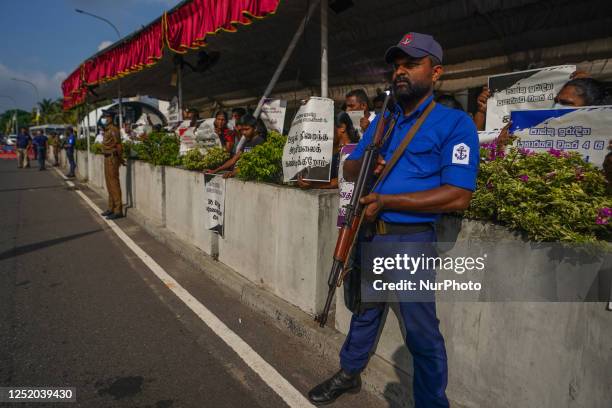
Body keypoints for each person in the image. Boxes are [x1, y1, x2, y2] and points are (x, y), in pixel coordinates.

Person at [308, 32, 479, 407]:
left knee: (420, 332)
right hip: (370, 233)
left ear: (436, 73)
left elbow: (459, 195)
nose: (400, 72)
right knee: (366, 311)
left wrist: (387, 199)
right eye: (397, 65)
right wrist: (367, 161)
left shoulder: (455, 123)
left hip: (410, 239)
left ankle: (432, 403)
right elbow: (352, 169)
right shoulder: (384, 120)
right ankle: (349, 372)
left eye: (410, 64)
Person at [296, 112, 360, 189]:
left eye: (328, 129)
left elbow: (342, 180)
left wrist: (313, 185)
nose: (325, 134)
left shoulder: (353, 148)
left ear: (342, 127)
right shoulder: (331, 150)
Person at [207, 114, 266, 178]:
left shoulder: (260, 142)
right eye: (242, 130)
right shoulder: (247, 141)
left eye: (247, 129)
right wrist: (215, 170)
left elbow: (251, 164)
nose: (244, 132)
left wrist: (233, 172)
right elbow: (233, 160)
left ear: (255, 128)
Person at [98, 110, 124, 220]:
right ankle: (111, 207)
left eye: (107, 117)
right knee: (109, 184)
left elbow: (118, 145)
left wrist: (120, 159)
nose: (105, 119)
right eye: (104, 117)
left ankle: (118, 210)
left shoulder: (114, 130)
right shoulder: (107, 130)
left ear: (111, 118)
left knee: (114, 184)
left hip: (113, 159)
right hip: (107, 158)